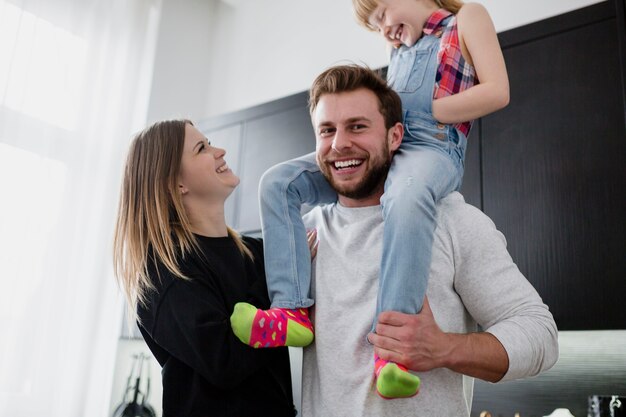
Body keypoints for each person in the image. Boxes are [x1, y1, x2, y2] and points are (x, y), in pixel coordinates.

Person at [231, 0, 509, 399]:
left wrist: (418, 112)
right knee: (279, 182)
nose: (384, 29)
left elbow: (497, 92)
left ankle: (392, 353)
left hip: (433, 148)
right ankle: (291, 309)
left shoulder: (467, 19)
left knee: (406, 195)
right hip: (387, 149)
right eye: (375, 24)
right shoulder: (398, 49)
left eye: (382, 14)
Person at [299, 65, 557, 415]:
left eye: (357, 126)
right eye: (326, 130)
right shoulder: (303, 234)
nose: (340, 143)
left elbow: (540, 335)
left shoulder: (451, 220)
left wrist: (443, 348)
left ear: (394, 136)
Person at [112, 120, 297, 417]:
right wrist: (281, 274)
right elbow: (225, 362)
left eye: (209, 143)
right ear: (176, 184)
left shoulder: (255, 252)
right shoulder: (162, 273)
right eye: (202, 148)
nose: (220, 151)